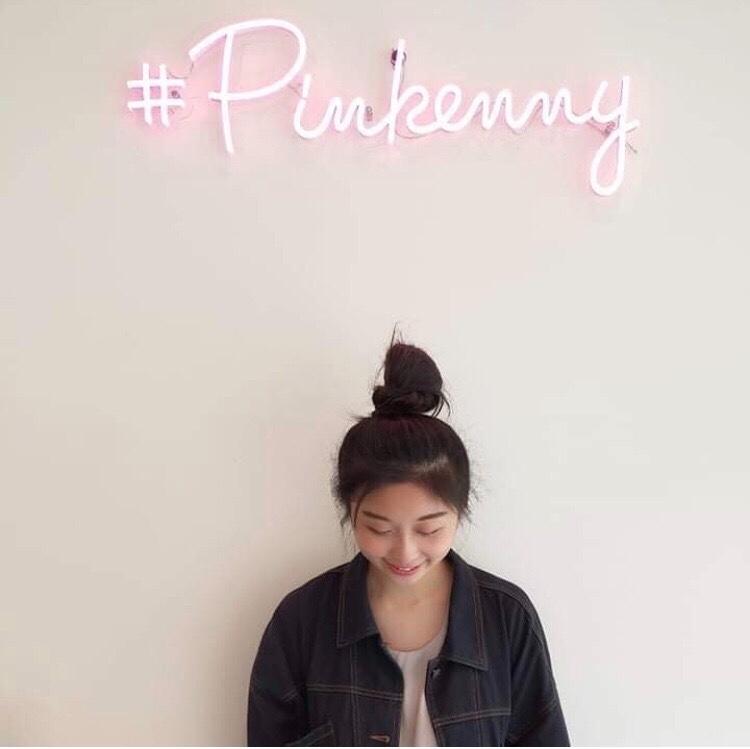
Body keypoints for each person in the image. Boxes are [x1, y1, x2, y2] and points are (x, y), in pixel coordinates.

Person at [247, 325, 570, 746]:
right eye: (379, 528)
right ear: (349, 511)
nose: (405, 551)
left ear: (460, 512)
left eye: (428, 529)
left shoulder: (507, 619)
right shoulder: (302, 621)